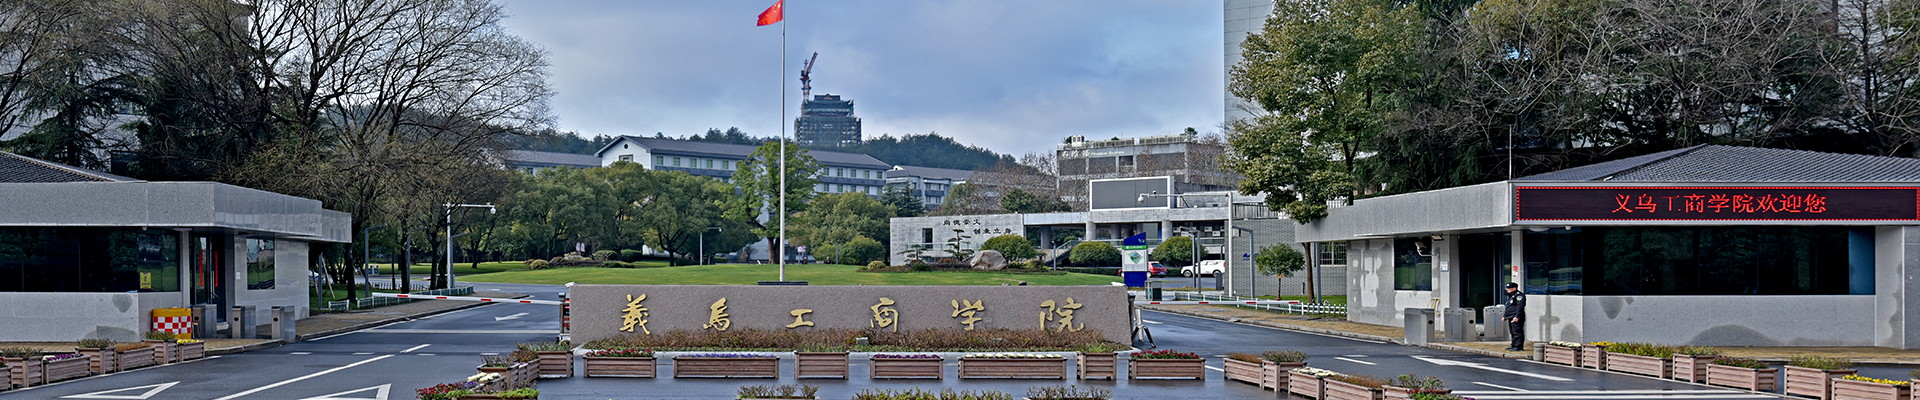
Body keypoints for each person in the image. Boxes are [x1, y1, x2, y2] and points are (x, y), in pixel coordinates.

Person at [1502, 282, 1526, 351]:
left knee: (1517, 332)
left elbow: (1520, 307)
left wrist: (1517, 316)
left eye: (1509, 288)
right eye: (1507, 288)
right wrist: (1505, 316)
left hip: (1516, 317)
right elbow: (1509, 307)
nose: (1507, 289)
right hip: (1510, 316)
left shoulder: (1519, 295)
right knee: (1512, 332)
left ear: (1514, 288)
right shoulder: (1511, 296)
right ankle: (1514, 345)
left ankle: (1518, 346)